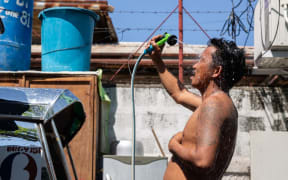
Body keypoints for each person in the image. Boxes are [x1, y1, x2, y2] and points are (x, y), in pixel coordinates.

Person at [147, 35, 246, 180]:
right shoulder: (213, 103)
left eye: (202, 60)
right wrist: (157, 60)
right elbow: (179, 93)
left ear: (216, 71)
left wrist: (173, 145)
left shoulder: (215, 104)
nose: (195, 65)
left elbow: (202, 161)